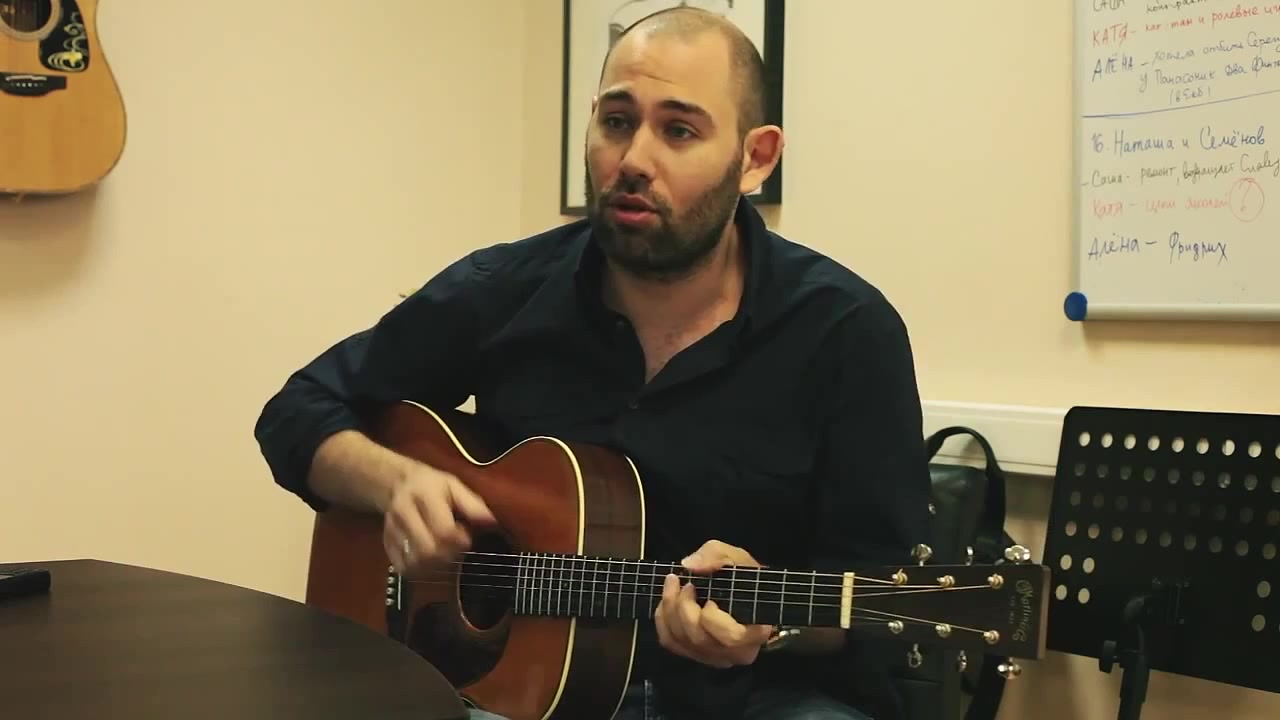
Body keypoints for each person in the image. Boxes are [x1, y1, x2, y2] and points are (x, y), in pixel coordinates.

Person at [254, 6, 932, 720]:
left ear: (755, 158)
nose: (633, 159)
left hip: (753, 699)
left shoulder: (844, 331)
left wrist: (775, 624)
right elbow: (298, 411)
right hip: (508, 692)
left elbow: (884, 590)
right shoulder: (505, 291)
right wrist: (396, 484)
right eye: (616, 121)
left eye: (678, 130)